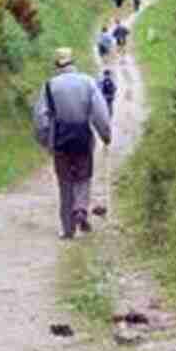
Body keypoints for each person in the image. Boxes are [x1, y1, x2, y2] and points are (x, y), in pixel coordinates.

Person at [34, 48, 112, 240]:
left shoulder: (49, 86)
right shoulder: (87, 82)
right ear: (73, 62)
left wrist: (45, 139)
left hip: (60, 139)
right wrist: (105, 134)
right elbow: (100, 113)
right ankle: (81, 208)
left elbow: (40, 117)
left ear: (56, 65)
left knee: (65, 181)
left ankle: (68, 228)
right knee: (83, 176)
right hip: (82, 137)